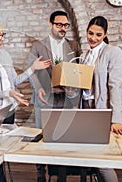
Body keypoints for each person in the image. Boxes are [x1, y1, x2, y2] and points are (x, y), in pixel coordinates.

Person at [0, 22, 51, 182]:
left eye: (3, 35)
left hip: (8, 110)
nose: (2, 39)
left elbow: (14, 81)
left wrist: (32, 69)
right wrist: (8, 92)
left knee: (4, 152)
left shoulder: (5, 55)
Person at [27, 11, 82, 181]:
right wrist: (38, 89)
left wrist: (74, 89)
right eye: (59, 24)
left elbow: (79, 71)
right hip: (45, 98)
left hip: (66, 98)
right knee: (41, 135)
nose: (63, 28)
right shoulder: (37, 46)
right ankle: (40, 174)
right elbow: (31, 72)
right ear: (50, 24)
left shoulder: (74, 46)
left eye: (66, 25)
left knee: (63, 137)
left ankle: (61, 175)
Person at [80, 15, 122, 182]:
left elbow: (115, 86)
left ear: (105, 34)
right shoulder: (85, 55)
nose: (93, 38)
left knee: (102, 159)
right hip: (86, 108)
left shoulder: (113, 52)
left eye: (98, 35)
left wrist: (116, 119)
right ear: (86, 32)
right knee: (94, 155)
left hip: (102, 109)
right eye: (90, 33)